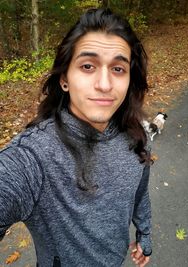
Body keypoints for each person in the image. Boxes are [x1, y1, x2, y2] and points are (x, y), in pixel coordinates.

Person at [0, 8, 152, 267]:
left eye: (118, 68)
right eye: (87, 66)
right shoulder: (35, 156)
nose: (105, 84)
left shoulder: (138, 137)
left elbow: (139, 191)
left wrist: (145, 233)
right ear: (64, 80)